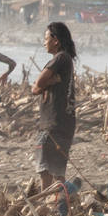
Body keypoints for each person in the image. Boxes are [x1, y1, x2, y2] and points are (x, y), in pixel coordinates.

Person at [32, 21, 77, 190]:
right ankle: (60, 201)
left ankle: (49, 201)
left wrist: (45, 84)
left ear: (56, 40)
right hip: (64, 123)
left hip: (53, 124)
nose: (44, 43)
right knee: (57, 172)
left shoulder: (60, 58)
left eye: (46, 39)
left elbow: (37, 85)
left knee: (46, 171)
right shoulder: (66, 59)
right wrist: (48, 82)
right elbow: (37, 88)